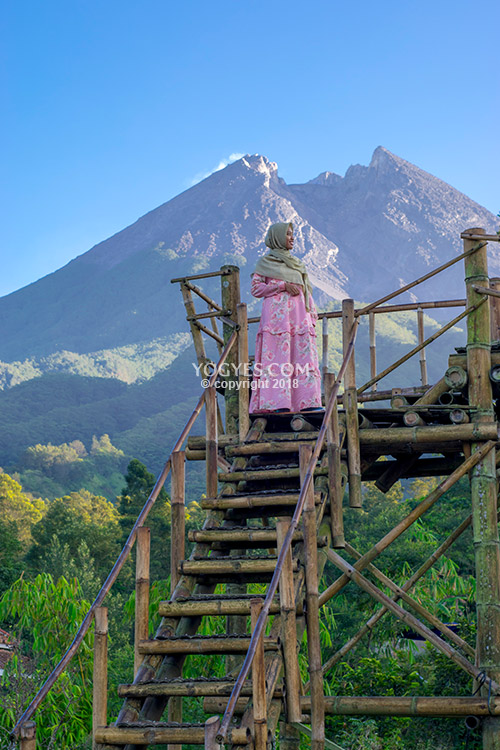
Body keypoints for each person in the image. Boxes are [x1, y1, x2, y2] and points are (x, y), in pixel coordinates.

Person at [249, 221, 322, 414]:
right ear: (278, 237)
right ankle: (277, 404)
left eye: (292, 234)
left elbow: (306, 292)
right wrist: (281, 286)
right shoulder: (264, 263)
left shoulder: (297, 264)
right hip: (276, 321)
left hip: (299, 319)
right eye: (288, 234)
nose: (292, 238)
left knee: (302, 357)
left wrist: (311, 315)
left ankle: (307, 403)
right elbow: (256, 289)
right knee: (277, 359)